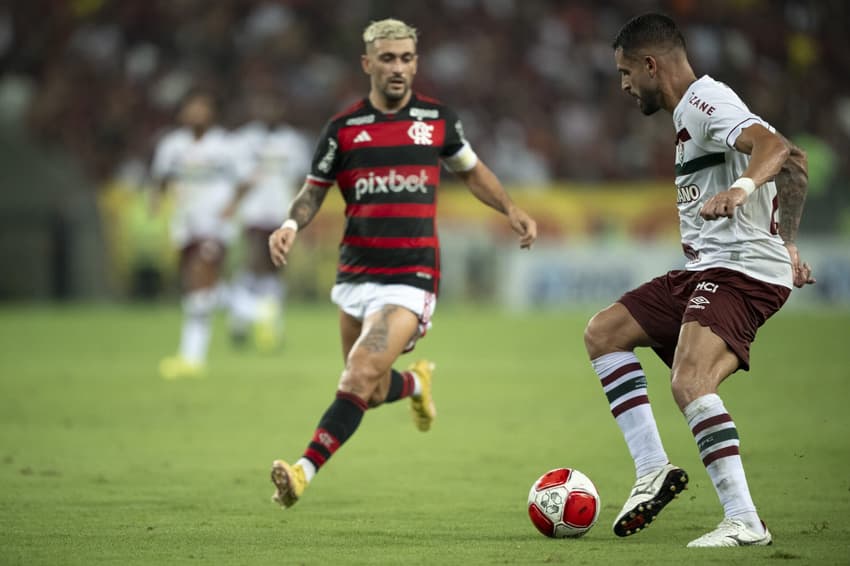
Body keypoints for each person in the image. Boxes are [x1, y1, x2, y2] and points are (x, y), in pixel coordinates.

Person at [266, 18, 537, 509]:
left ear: (416, 63)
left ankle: (301, 472)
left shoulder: (437, 120)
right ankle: (416, 383)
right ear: (367, 63)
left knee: (356, 374)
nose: (398, 68)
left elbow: (472, 172)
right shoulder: (343, 130)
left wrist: (511, 209)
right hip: (354, 274)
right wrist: (289, 225)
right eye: (388, 58)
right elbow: (312, 193)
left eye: (407, 58)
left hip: (410, 276)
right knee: (367, 391)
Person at [584, 13, 815, 547]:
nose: (623, 86)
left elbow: (776, 148)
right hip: (709, 270)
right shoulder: (691, 113)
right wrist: (788, 241)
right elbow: (797, 163)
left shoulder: (707, 102)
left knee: (690, 383)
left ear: (650, 64)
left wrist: (738, 190)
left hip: (741, 273)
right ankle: (653, 472)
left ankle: (745, 522)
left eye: (625, 73)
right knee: (604, 333)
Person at [151, 89, 251, 379]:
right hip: (185, 224)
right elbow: (160, 178)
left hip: (216, 224)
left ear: (212, 113)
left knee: (199, 283)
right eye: (191, 107)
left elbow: (245, 181)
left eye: (201, 107)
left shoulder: (226, 145)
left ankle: (191, 357)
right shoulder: (171, 145)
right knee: (199, 286)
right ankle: (249, 307)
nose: (196, 113)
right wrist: (156, 200)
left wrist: (231, 206)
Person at [229, 90, 312, 351]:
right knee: (255, 264)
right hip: (254, 213)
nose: (269, 112)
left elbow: (302, 182)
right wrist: (232, 207)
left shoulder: (293, 142)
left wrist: (302, 216)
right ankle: (254, 320)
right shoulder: (244, 139)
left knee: (274, 268)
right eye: (263, 106)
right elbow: (238, 180)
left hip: (281, 214)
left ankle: (255, 321)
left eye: (274, 106)